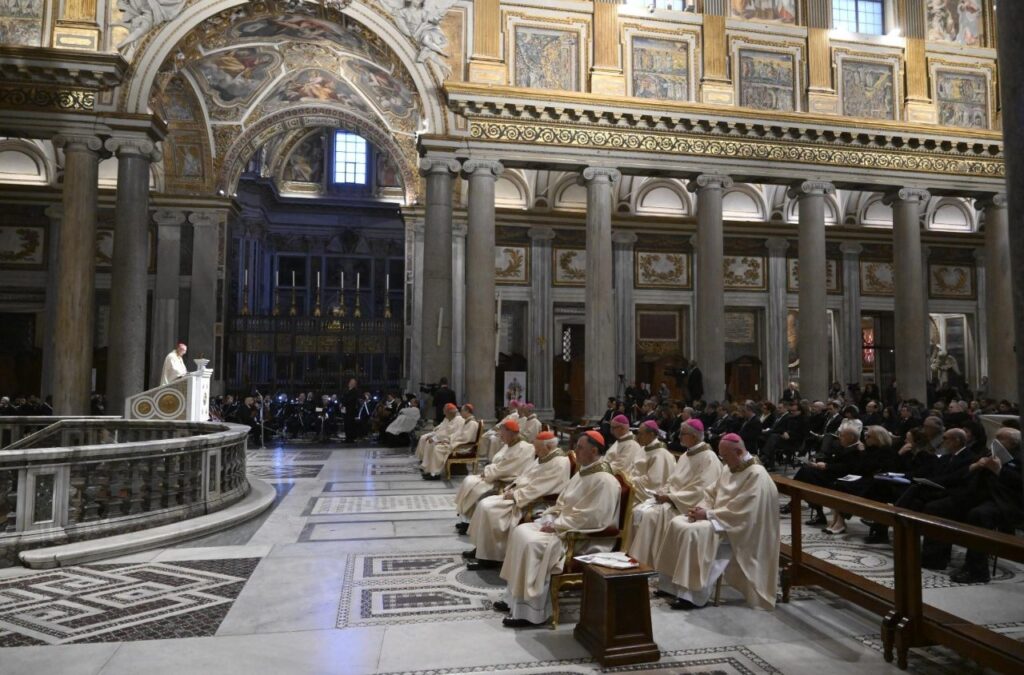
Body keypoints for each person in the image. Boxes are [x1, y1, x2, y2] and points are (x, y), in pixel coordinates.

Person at [496, 430, 621, 627]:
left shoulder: (604, 480)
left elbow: (595, 517)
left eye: (580, 447)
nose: (575, 451)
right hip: (564, 526)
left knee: (532, 543)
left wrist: (558, 525)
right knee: (520, 532)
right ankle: (514, 599)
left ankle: (531, 613)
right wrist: (552, 516)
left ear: (594, 450)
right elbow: (564, 501)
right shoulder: (585, 471)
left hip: (583, 539)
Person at [654, 433, 780, 610]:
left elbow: (744, 512)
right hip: (720, 518)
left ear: (738, 451)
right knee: (676, 523)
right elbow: (711, 492)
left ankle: (692, 596)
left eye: (725, 456)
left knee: (694, 532)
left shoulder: (756, 474)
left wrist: (709, 515)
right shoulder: (731, 467)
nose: (723, 460)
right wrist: (701, 509)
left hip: (738, 528)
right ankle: (670, 586)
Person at [464, 431, 572, 570]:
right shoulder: (544, 456)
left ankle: (490, 558)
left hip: (535, 501)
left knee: (490, 509)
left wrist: (516, 495)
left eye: (539, 449)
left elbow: (543, 487)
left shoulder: (559, 462)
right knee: (484, 504)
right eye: (536, 449)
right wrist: (512, 487)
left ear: (549, 447)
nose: (536, 452)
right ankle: (481, 549)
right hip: (522, 495)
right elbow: (526, 475)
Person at [629, 419, 724, 567]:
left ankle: (646, 563)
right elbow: (672, 479)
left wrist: (670, 497)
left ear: (693, 436)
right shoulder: (687, 455)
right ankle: (636, 560)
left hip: (684, 505)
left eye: (682, 434)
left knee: (648, 516)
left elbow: (701, 490)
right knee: (638, 511)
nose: (679, 437)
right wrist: (662, 491)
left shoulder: (709, 458)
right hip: (672, 500)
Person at [454, 419, 535, 532]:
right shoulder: (509, 444)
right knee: (469, 480)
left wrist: (487, 472)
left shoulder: (525, 448)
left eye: (502, 434)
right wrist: (488, 470)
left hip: (505, 479)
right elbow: (499, 462)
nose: (500, 437)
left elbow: (508, 468)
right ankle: (467, 520)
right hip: (496, 474)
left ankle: (468, 522)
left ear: (511, 434)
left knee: (475, 487)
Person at [419, 403, 467, 480]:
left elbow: (456, 435)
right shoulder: (447, 418)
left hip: (453, 443)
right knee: (429, 443)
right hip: (445, 440)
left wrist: (440, 440)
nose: (444, 414)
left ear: (449, 412)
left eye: (445, 412)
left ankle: (435, 473)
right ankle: (428, 469)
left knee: (437, 448)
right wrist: (435, 437)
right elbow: (441, 430)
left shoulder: (459, 420)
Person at [629, 420, 676, 496]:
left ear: (651, 434)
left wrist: (629, 480)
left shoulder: (660, 454)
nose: (638, 437)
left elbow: (652, 482)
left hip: (646, 493)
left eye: (641, 434)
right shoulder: (643, 448)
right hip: (634, 484)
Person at [342, 378, 361, 443]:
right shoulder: (346, 390)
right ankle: (347, 437)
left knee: (350, 425)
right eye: (350, 382)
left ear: (355, 384)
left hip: (351, 410)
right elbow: (343, 398)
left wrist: (345, 402)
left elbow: (351, 400)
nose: (351, 383)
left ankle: (350, 438)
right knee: (346, 424)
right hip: (345, 410)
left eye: (353, 382)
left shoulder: (355, 391)